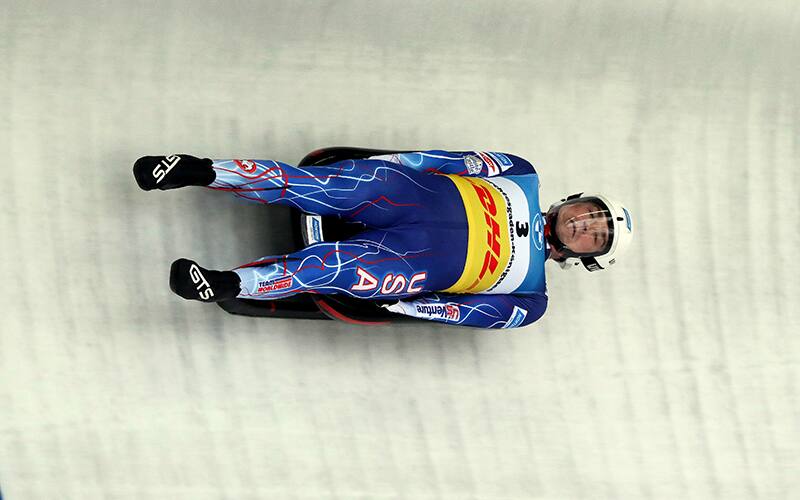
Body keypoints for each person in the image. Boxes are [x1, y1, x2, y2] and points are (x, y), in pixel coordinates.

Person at [132, 150, 634, 329]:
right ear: (575, 200)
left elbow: (466, 313)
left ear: (584, 258)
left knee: (332, 268)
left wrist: (404, 306)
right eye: (591, 213)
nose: (585, 225)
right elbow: (444, 160)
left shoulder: (531, 300)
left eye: (596, 236)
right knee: (315, 185)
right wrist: (386, 165)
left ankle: (226, 284)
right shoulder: (520, 171)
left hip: (411, 263)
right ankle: (200, 171)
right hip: (404, 195)